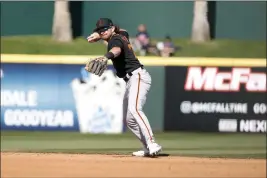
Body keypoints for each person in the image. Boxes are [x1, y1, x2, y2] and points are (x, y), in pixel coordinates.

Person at [86, 18, 162, 157]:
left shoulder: (115, 40)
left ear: (112, 28)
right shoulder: (122, 35)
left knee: (135, 109)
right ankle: (147, 148)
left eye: (104, 29)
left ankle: (152, 143)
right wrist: (99, 35)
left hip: (138, 77)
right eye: (99, 30)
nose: (102, 32)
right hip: (131, 80)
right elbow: (125, 31)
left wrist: (106, 56)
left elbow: (117, 50)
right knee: (129, 120)